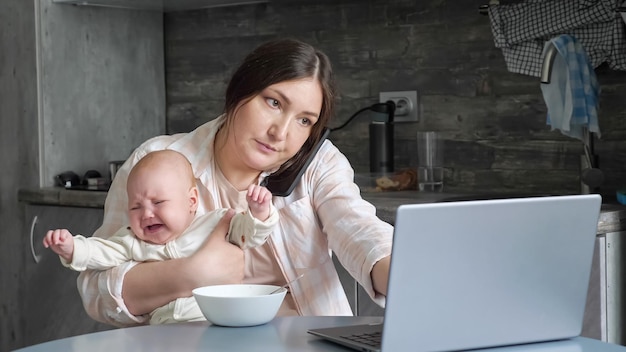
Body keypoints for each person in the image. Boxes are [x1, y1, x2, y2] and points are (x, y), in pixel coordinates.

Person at [78, 38, 393, 326]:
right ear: (239, 91)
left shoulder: (319, 162)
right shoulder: (157, 160)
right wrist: (190, 275)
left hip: (307, 342)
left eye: (304, 120)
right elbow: (96, 290)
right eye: (273, 102)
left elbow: (358, 229)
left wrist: (399, 274)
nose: (280, 133)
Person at [44, 150, 278, 324]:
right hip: (164, 330)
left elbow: (250, 234)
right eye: (135, 207)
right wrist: (72, 248)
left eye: (158, 202)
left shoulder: (215, 223)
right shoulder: (132, 241)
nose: (146, 214)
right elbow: (101, 250)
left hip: (218, 323)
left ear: (191, 201)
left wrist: (259, 214)